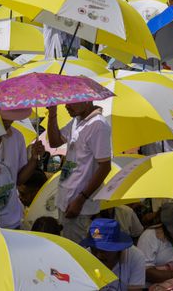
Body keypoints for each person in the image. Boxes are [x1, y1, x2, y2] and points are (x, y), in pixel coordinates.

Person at [46, 101, 112, 243]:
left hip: (79, 206)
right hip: (67, 200)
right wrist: (52, 113)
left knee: (76, 252)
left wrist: (81, 199)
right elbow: (54, 142)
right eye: (66, 102)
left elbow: (105, 167)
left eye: (72, 102)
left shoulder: (98, 125)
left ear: (87, 100)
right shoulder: (77, 120)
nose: (67, 106)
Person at [82, 218, 146, 291]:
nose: (98, 255)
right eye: (94, 250)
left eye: (103, 251)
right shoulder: (84, 257)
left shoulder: (135, 257)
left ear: (118, 248)